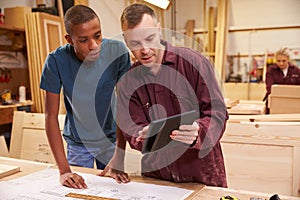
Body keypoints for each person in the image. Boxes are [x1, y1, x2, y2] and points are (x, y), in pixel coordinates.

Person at [102, 3, 228, 187]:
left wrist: (198, 131)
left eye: (149, 38)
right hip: (157, 179)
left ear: (159, 30)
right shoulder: (128, 82)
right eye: (135, 43)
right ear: (125, 40)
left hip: (201, 175)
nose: (144, 50)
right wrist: (141, 136)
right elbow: (131, 128)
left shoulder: (194, 63)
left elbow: (218, 114)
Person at [40, 5, 131, 189]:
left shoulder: (118, 53)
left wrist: (119, 156)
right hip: (78, 144)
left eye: (97, 35)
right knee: (76, 190)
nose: (94, 45)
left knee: (115, 191)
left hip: (111, 139)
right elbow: (50, 117)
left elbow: (125, 105)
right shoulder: (56, 61)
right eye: (83, 40)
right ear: (69, 39)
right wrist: (64, 170)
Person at [263, 47, 300, 113]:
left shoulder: (296, 71)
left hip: (292, 105)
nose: (281, 63)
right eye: (278, 61)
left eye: (284, 61)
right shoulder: (271, 70)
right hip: (274, 103)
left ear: (288, 59)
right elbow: (269, 88)